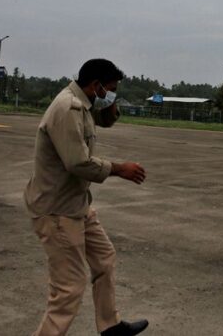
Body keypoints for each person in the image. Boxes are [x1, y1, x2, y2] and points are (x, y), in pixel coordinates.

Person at [24, 59, 149, 336]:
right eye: (111, 89)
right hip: (57, 210)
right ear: (96, 85)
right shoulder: (68, 108)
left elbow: (105, 120)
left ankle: (110, 326)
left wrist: (110, 101)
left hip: (77, 204)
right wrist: (120, 169)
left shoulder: (85, 104)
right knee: (69, 287)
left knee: (104, 258)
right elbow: (77, 162)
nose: (112, 93)